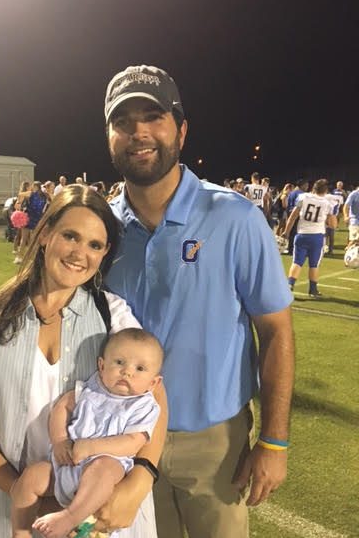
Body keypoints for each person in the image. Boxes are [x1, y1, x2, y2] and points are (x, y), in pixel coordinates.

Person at [103, 65, 294, 538]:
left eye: (154, 116)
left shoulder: (234, 217)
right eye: (124, 121)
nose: (139, 132)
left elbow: (275, 331)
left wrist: (273, 440)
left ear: (181, 130)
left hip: (213, 444)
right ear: (109, 136)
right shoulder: (99, 227)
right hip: (121, 438)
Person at [0, 184, 167, 538]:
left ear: (105, 252)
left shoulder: (114, 316)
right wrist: (22, 491)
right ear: (45, 233)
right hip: (10, 502)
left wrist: (138, 481)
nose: (80, 253)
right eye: (70, 236)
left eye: (95, 245)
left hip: (95, 505)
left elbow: (153, 399)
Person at [10, 328, 163, 538]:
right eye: (119, 362)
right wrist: (60, 441)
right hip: (67, 465)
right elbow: (62, 407)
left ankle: (70, 518)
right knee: (31, 477)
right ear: (101, 366)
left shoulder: (143, 406)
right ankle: (20, 531)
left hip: (104, 474)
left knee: (105, 467)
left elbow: (132, 443)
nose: (127, 372)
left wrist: (93, 447)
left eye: (140, 368)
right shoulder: (91, 389)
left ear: (153, 383)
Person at [283, 179, 336, 297]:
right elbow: (333, 225)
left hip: (301, 234)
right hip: (317, 236)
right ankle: (313, 290)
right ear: (326, 190)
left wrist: (286, 231)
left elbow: (293, 216)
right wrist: (331, 214)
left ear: (313, 188)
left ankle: (290, 284)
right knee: (314, 264)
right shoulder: (327, 203)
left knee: (297, 262)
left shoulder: (303, 197)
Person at [14, 182, 48, 265]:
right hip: (38, 218)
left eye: (33, 186)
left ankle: (19, 257)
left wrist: (19, 202)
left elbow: (20, 194)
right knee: (34, 239)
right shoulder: (45, 195)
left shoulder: (31, 194)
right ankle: (33, 258)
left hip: (29, 218)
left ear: (35, 186)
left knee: (24, 239)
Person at [286, 179, 309, 254]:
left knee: (291, 232)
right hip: (297, 214)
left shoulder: (292, 193)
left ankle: (290, 248)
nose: (307, 187)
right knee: (297, 232)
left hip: (290, 212)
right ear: (302, 185)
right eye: (306, 185)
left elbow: (288, 205)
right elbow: (299, 205)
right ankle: (295, 249)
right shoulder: (301, 194)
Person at [12, 181, 32, 255]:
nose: (31, 187)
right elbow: (16, 206)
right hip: (21, 217)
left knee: (26, 235)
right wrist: (19, 206)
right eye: (30, 186)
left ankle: (28, 251)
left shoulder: (28, 194)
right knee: (19, 234)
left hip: (27, 216)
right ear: (27, 187)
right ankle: (15, 249)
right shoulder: (22, 195)